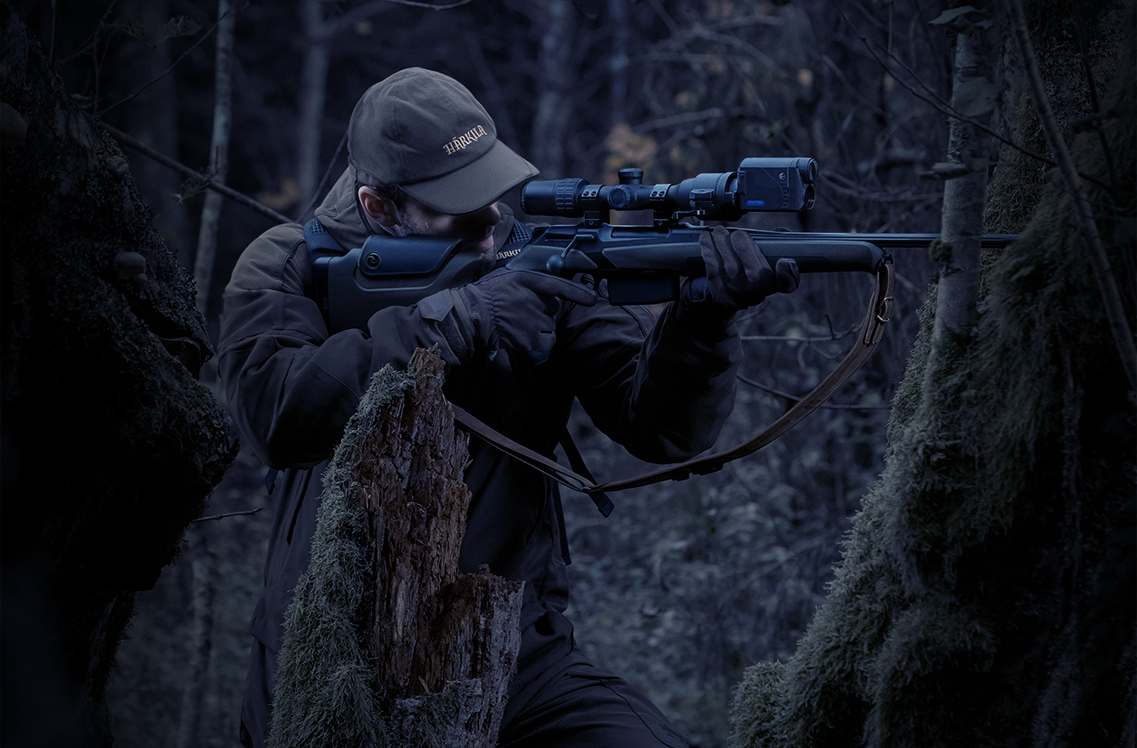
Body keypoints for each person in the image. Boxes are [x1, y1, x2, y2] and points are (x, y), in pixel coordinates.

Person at [218, 67, 798, 748]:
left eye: (490, 191)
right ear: (379, 207)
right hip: (328, 665)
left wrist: (702, 321)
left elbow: (660, 428)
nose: (491, 220)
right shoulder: (290, 264)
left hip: (514, 655)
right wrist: (455, 322)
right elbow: (276, 412)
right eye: (458, 204)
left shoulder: (536, 261)